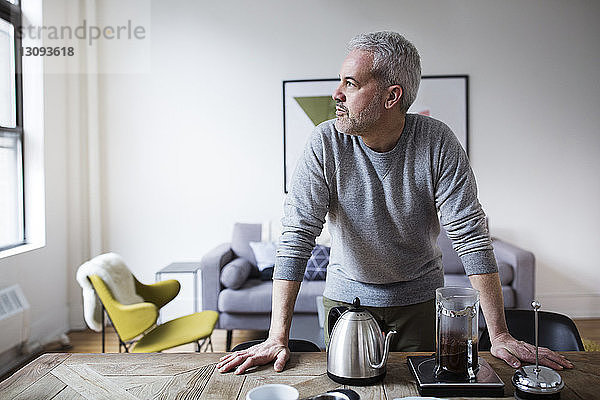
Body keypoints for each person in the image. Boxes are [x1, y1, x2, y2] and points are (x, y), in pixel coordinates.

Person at [217, 31, 572, 375]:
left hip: (419, 304)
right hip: (346, 304)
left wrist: (499, 334)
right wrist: (276, 336)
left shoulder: (437, 142)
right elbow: (296, 236)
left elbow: (470, 236)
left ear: (391, 96)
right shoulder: (325, 142)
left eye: (351, 83)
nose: (337, 93)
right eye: (340, 81)